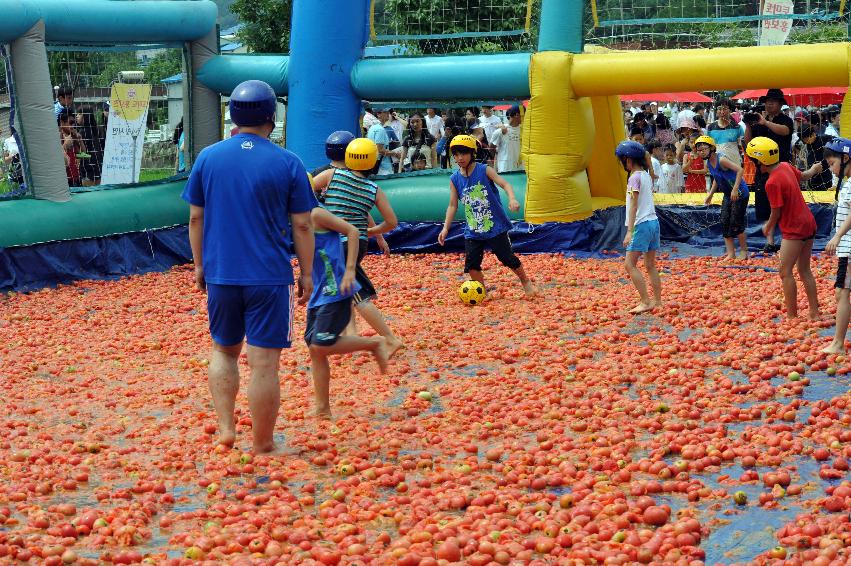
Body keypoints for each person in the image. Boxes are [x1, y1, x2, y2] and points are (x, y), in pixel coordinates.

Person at [181, 80, 316, 453]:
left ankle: (226, 428)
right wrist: (306, 273)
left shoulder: (208, 158)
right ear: (272, 117)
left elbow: (196, 218)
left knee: (223, 351)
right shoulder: (288, 162)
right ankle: (263, 443)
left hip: (222, 273)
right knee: (264, 364)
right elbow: (302, 224)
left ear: (232, 116)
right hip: (270, 278)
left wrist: (199, 266)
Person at [305, 203, 390, 418]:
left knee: (320, 344)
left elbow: (352, 231)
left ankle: (374, 343)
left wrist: (350, 270)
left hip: (336, 291)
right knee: (315, 350)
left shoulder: (316, 214)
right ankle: (323, 409)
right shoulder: (296, 221)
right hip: (318, 295)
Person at [324, 138, 404, 356]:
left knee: (357, 295)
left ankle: (390, 338)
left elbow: (307, 188)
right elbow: (391, 222)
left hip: (339, 243)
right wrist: (370, 232)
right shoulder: (373, 188)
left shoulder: (333, 175)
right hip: (359, 242)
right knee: (346, 290)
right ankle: (351, 334)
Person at [437, 134, 537, 297]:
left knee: (506, 258)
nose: (459, 158)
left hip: (495, 227)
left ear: (472, 153)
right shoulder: (454, 179)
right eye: (456, 154)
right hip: (473, 230)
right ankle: (482, 291)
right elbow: (452, 205)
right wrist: (445, 228)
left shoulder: (484, 170)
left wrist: (512, 198)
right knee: (472, 265)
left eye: (463, 153)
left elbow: (505, 184)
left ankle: (525, 281)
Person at [746, 137, 820, 321]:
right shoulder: (786, 166)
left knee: (785, 272)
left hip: (794, 229)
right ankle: (814, 313)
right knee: (804, 270)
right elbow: (804, 175)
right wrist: (815, 169)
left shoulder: (771, 182)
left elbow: (776, 211)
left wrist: (768, 226)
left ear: (759, 161)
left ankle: (792, 316)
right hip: (809, 223)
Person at [312, 131, 391, 254]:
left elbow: (303, 192)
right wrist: (378, 236)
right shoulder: (359, 179)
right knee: (346, 269)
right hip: (354, 239)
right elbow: (361, 211)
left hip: (329, 237)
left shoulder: (325, 173)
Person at [744, 89, 795, 253]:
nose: (769, 103)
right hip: (763, 169)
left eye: (773, 101)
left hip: (782, 168)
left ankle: (788, 239)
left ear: (781, 104)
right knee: (766, 205)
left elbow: (785, 131)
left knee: (785, 205)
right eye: (767, 101)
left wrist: (765, 123)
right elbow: (748, 142)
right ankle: (770, 241)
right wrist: (748, 124)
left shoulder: (785, 120)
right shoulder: (760, 121)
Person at [616, 140, 662, 314]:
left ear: (627, 160)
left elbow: (633, 205)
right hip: (653, 222)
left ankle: (645, 301)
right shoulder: (646, 176)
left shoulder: (634, 178)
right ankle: (657, 301)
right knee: (650, 265)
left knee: (629, 264)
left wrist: (629, 231)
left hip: (641, 225)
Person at [696, 136, 749, 259]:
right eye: (699, 150)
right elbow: (716, 178)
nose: (701, 152)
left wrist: (735, 189)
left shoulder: (721, 160)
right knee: (725, 221)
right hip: (727, 194)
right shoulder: (709, 162)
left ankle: (744, 251)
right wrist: (710, 194)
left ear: (712, 148)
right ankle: (731, 253)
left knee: (736, 222)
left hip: (739, 193)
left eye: (704, 149)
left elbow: (740, 170)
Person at [821, 137, 851, 353]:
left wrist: (837, 236)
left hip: (849, 247)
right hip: (846, 248)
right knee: (842, 293)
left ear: (846, 158)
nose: (831, 169)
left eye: (832, 164)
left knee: (842, 291)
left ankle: (838, 343)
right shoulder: (847, 183)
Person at [707, 98, 743, 166]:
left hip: (734, 164)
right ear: (716, 111)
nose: (722, 112)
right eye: (719, 109)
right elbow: (708, 147)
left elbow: (742, 147)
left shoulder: (737, 127)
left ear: (730, 111)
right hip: (716, 165)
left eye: (725, 109)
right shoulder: (711, 128)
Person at [798, 125, 833, 191]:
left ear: (813, 134)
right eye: (803, 140)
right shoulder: (805, 147)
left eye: (806, 139)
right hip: (813, 180)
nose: (805, 142)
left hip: (827, 177)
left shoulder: (825, 139)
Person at [490, 105, 522, 173]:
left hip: (521, 169)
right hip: (505, 170)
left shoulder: (525, 130)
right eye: (524, 115)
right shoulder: (499, 131)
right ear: (517, 115)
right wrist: (499, 158)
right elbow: (491, 147)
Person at [75, 106, 103, 186]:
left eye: (79, 114)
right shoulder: (96, 130)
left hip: (87, 168)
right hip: (97, 167)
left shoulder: (83, 132)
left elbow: (84, 153)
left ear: (86, 116)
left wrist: (76, 159)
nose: (77, 116)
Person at [366, 108, 396, 176]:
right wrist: (395, 154)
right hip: (383, 167)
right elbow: (380, 150)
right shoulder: (380, 129)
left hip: (375, 165)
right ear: (378, 114)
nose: (388, 113)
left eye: (388, 112)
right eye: (385, 112)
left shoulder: (372, 127)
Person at [58, 110, 82, 187]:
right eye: (70, 123)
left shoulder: (73, 136)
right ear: (62, 123)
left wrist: (80, 141)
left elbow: (83, 155)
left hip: (76, 178)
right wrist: (65, 145)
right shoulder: (57, 137)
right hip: (65, 180)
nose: (72, 126)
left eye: (73, 123)